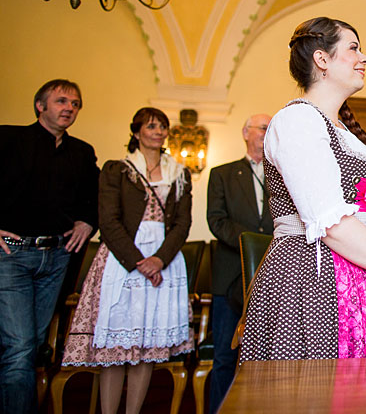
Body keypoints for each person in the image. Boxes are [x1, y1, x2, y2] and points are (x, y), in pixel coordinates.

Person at [239, 17, 366, 362]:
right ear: (322, 59)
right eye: (353, 48)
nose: (364, 58)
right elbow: (329, 220)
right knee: (313, 393)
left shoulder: (341, 132)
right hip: (311, 279)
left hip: (357, 278)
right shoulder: (297, 121)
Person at [61, 107, 193, 414]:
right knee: (116, 349)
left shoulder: (179, 173)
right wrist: (138, 262)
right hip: (122, 262)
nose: (158, 131)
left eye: (162, 127)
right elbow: (108, 221)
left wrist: (159, 260)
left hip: (164, 261)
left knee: (147, 347)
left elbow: (182, 224)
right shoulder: (116, 170)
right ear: (136, 132)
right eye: (151, 126)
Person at [0, 79, 99, 414]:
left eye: (75, 103)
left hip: (56, 258)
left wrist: (87, 221)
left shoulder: (82, 153)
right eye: (61, 101)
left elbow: (95, 198)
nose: (69, 107)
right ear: (40, 106)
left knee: (33, 347)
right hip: (12, 254)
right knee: (19, 347)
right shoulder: (9, 139)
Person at [206, 113, 273, 412]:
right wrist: (252, 246)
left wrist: (268, 249)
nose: (267, 133)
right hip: (230, 274)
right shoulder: (223, 174)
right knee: (224, 355)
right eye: (262, 127)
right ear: (246, 133)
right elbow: (217, 221)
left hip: (271, 275)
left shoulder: (283, 175)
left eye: (271, 129)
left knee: (266, 354)